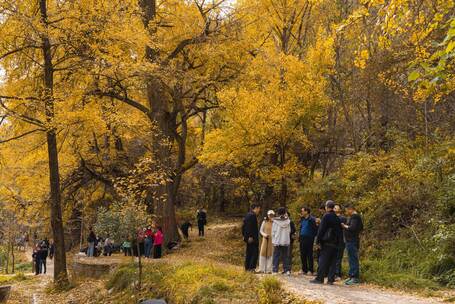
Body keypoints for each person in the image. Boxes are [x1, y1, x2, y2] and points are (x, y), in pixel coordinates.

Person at [310, 200, 343, 285]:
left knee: (323, 260)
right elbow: (340, 231)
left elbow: (322, 229)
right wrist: (340, 243)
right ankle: (330, 280)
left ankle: (319, 278)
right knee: (333, 261)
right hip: (336, 243)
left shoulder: (326, 216)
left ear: (326, 207)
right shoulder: (337, 218)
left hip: (327, 242)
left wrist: (317, 241)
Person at [342, 204, 364, 285]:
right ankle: (351, 276)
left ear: (350, 209)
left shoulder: (355, 216)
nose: (346, 212)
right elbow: (361, 227)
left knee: (353, 258)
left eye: (347, 210)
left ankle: (355, 278)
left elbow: (353, 228)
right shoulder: (354, 217)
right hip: (350, 240)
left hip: (352, 240)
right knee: (351, 258)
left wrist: (344, 226)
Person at [272, 207, 291, 275]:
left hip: (277, 240)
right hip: (285, 240)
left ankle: (275, 270)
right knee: (285, 256)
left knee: (276, 255)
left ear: (278, 213)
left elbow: (273, 231)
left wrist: (273, 240)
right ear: (284, 212)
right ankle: (286, 270)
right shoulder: (288, 221)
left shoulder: (275, 221)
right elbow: (289, 231)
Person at [299, 207, 318, 275]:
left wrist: (314, 237)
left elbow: (316, 229)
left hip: (309, 238)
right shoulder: (302, 219)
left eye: (302, 211)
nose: (302, 212)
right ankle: (304, 269)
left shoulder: (312, 219)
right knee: (302, 254)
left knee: (309, 254)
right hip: (302, 238)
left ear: (306, 211)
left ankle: (310, 270)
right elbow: (301, 228)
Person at [242, 203, 261, 271]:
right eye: (259, 208)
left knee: (249, 252)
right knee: (254, 253)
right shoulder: (252, 215)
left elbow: (243, 226)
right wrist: (249, 236)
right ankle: (251, 268)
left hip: (249, 237)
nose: (259, 210)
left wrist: (244, 235)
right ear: (255, 208)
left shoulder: (248, 215)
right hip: (252, 238)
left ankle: (247, 268)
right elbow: (249, 227)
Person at [334, 204, 347, 279]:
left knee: (338, 257)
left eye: (336, 207)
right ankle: (333, 273)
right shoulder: (331, 217)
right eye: (334, 207)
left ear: (340, 209)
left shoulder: (342, 218)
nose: (334, 208)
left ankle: (337, 274)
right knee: (334, 257)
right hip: (334, 240)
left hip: (341, 240)